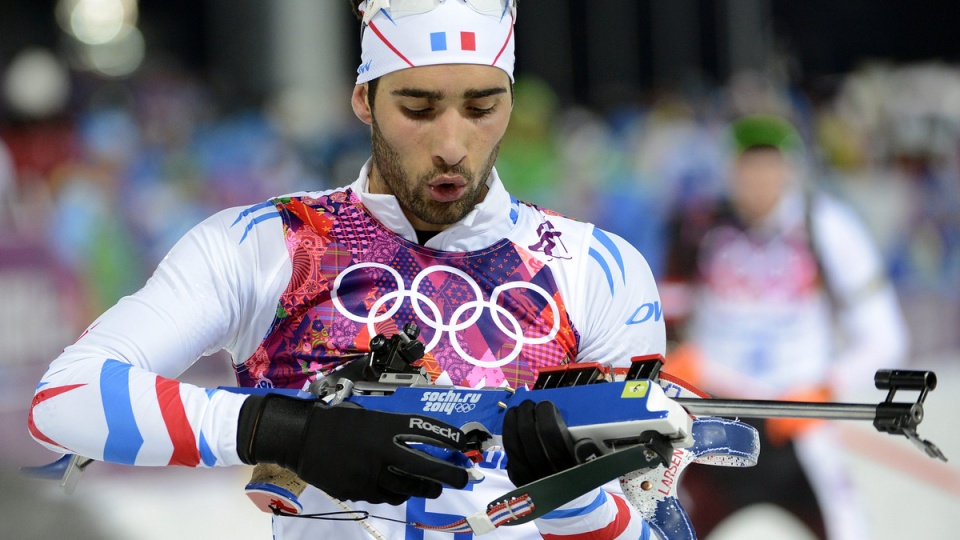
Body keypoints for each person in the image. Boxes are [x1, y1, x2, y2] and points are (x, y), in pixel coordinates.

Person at [28, 2, 665, 539]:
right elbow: (66, 398)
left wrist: (573, 498)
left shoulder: (593, 268)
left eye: (481, 107)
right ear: (364, 98)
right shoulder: (269, 245)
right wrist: (284, 431)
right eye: (418, 108)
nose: (451, 143)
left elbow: (661, 522)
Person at [660, 114, 909, 540]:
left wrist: (824, 391)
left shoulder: (827, 226)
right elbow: (660, 319)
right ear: (730, 169)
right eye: (747, 164)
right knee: (664, 528)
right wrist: (678, 360)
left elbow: (886, 336)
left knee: (849, 529)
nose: (759, 178)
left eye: (770, 163)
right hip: (719, 418)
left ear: (790, 167)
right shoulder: (700, 227)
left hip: (798, 422)